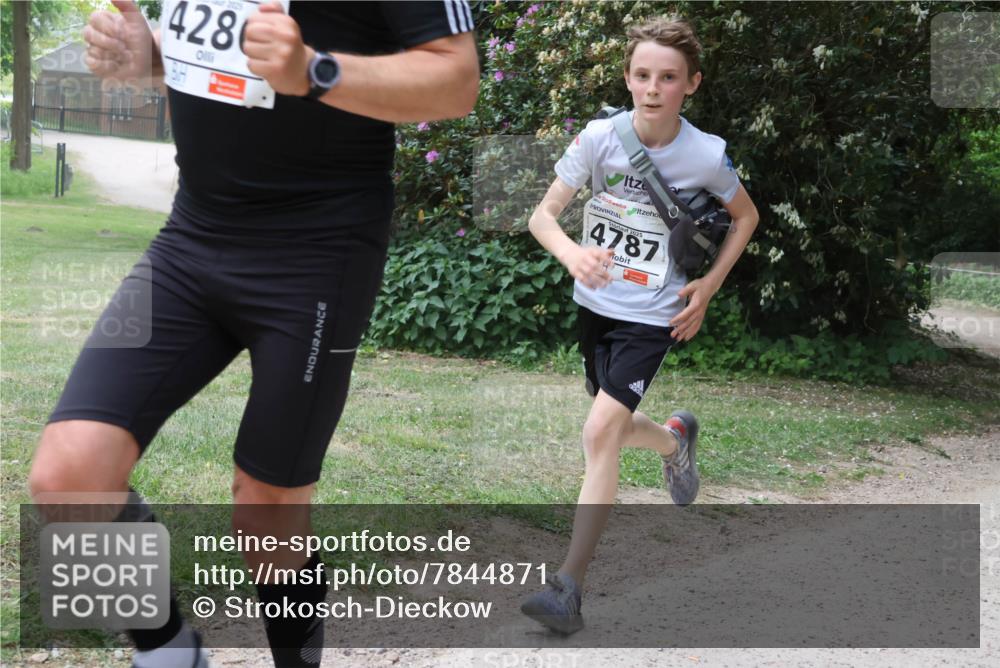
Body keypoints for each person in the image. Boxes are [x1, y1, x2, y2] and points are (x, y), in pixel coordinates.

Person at [27, 1, 478, 666]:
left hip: (319, 255)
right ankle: (171, 655)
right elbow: (223, 59)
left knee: (267, 519)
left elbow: (456, 81)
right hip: (191, 239)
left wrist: (315, 70)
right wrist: (148, 56)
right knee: (67, 477)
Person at [520, 16, 759, 635]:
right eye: (643, 75)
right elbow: (543, 217)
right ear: (627, 78)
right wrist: (574, 254)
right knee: (615, 427)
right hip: (595, 307)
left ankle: (568, 587)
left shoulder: (705, 155)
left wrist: (706, 287)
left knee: (599, 431)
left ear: (691, 84)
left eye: (669, 77)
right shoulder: (599, 138)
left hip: (654, 316)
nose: (653, 88)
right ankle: (675, 442)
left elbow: (746, 217)